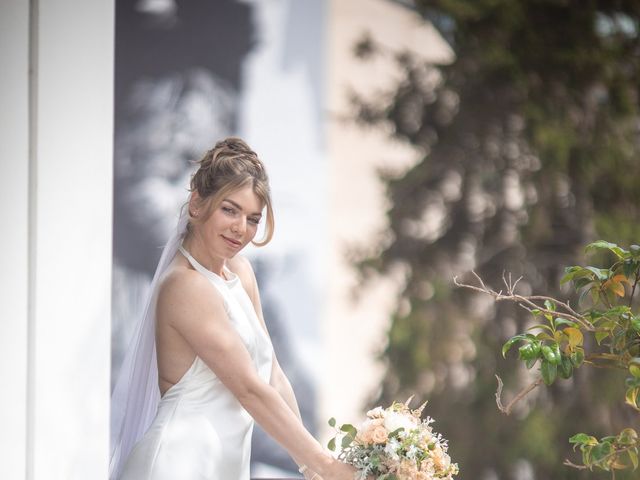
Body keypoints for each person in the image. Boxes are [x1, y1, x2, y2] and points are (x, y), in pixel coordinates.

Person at [110, 138, 356, 480]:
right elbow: (248, 388)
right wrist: (326, 466)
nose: (241, 228)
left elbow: (274, 377)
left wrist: (309, 464)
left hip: (223, 467)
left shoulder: (241, 271)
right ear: (197, 204)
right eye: (230, 210)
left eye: (253, 218)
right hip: (178, 464)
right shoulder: (185, 285)